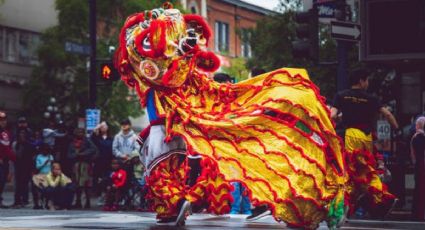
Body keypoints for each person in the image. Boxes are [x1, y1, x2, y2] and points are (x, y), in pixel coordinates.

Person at [116, 5, 346, 228]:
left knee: (161, 172)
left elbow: (142, 68)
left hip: (164, 133)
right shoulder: (177, 81)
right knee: (172, 170)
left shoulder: (167, 82)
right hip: (178, 134)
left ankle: (173, 206)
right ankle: (179, 204)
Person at [330, 68, 399, 218]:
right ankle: (379, 197)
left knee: (350, 169)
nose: (367, 83)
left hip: (351, 135)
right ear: (361, 81)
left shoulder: (342, 96)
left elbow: (333, 114)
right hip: (367, 138)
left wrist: (332, 124)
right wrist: (397, 129)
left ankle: (344, 204)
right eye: (366, 80)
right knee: (367, 169)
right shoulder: (371, 98)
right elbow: (387, 113)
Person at [68, 128, 97, 209]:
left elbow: (93, 150)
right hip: (76, 166)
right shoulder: (72, 143)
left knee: (87, 184)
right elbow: (69, 155)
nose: (79, 134)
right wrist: (76, 155)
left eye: (81, 132)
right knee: (77, 184)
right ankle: (78, 201)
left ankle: (88, 202)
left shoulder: (88, 141)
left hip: (86, 165)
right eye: (78, 132)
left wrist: (82, 154)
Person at [12, 130, 35, 207]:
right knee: (18, 184)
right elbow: (14, 155)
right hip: (18, 166)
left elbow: (31, 158)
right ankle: (17, 201)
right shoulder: (17, 144)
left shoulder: (29, 145)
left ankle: (25, 200)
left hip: (27, 167)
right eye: (20, 134)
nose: (22, 135)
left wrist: (32, 169)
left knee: (25, 184)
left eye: (23, 134)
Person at [91, 121, 113, 196]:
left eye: (104, 126)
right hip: (98, 161)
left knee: (107, 178)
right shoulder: (97, 137)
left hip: (108, 161)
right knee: (96, 178)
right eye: (101, 126)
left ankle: (106, 194)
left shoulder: (111, 138)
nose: (103, 127)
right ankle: (97, 193)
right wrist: (97, 127)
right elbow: (92, 138)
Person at [0, 111, 16, 208]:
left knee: (3, 181)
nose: (3, 122)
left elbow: (8, 148)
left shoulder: (6, 133)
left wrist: (13, 159)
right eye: (1, 120)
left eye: (4, 120)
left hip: (6, 161)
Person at [411, 116, 425, 221]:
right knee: (420, 189)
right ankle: (419, 213)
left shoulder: (417, 137)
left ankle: (417, 213)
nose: (415, 126)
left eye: (417, 124)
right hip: (421, 166)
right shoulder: (419, 137)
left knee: (419, 189)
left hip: (419, 166)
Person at [33, 143, 54, 209]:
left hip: (48, 175)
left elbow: (53, 166)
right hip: (40, 175)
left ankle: (47, 203)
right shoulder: (39, 157)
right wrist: (44, 163)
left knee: (48, 191)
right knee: (40, 190)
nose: (45, 151)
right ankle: (39, 204)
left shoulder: (50, 156)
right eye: (44, 150)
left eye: (46, 150)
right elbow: (37, 167)